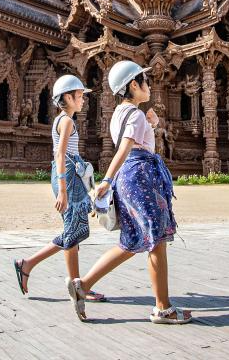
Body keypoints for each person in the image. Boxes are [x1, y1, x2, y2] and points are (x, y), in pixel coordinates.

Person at [65, 60, 192, 324]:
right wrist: (106, 180)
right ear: (133, 85)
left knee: (132, 240)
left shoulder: (121, 114)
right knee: (156, 238)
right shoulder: (134, 114)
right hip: (140, 176)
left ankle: (83, 284)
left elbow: (133, 139)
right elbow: (126, 147)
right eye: (145, 81)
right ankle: (163, 308)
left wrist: (152, 124)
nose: (149, 85)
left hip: (129, 177)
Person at [12, 75, 107, 303]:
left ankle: (40, 269)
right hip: (67, 177)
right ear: (67, 97)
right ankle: (74, 284)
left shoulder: (63, 120)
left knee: (73, 230)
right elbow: (60, 154)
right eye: (80, 95)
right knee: (74, 231)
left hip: (68, 175)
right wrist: (63, 190)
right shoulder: (66, 121)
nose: (83, 99)